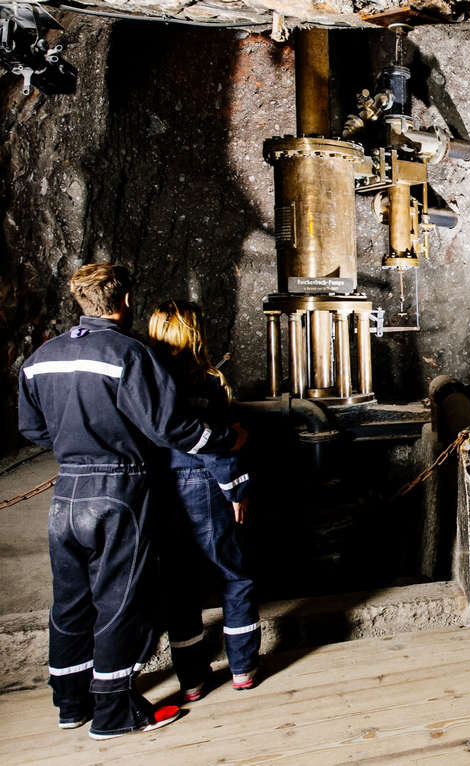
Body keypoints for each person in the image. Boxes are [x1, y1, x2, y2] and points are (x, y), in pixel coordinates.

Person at [17, 264, 244, 739]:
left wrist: (74, 444)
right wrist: (223, 437)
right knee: (119, 602)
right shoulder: (130, 353)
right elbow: (170, 428)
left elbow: (32, 429)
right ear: (123, 303)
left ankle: (70, 703)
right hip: (118, 490)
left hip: (66, 493)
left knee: (71, 602)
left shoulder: (42, 357)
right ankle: (114, 711)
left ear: (82, 302)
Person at [147, 300, 260, 700]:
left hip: (160, 488)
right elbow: (214, 444)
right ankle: (243, 668)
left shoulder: (145, 379)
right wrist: (236, 489)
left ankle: (192, 681)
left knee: (180, 586)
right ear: (193, 333)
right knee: (234, 576)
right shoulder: (204, 380)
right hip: (204, 485)